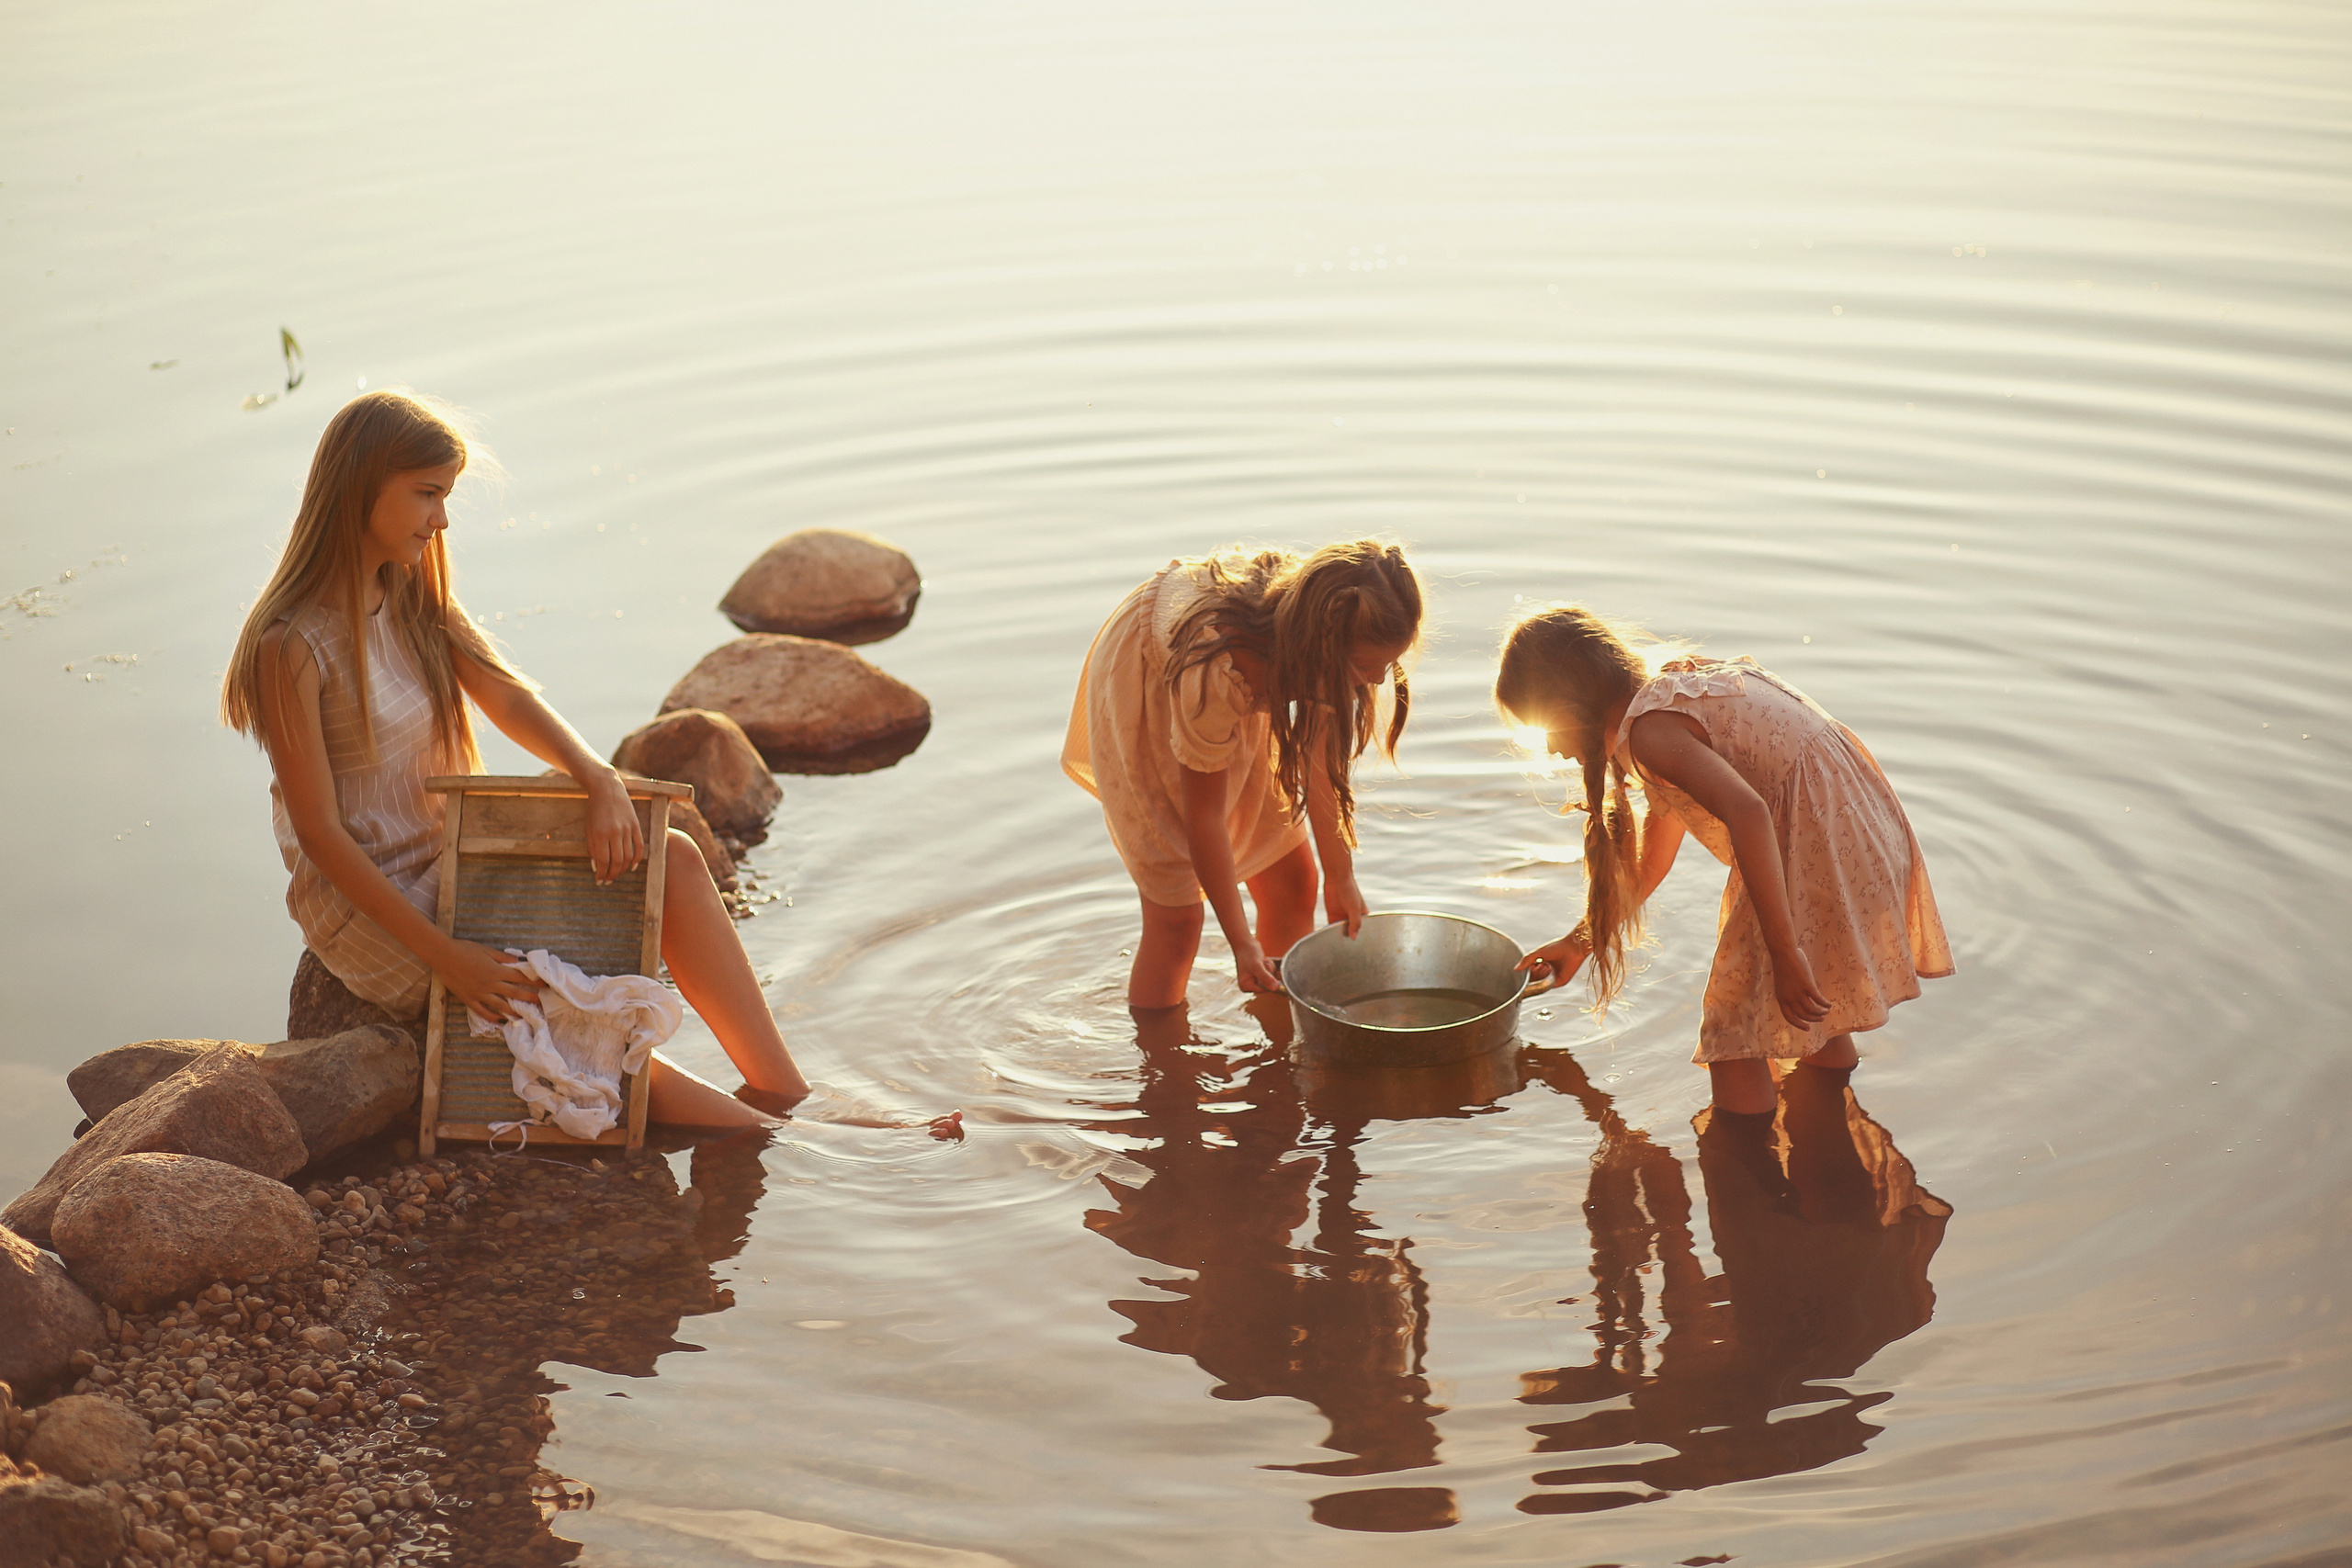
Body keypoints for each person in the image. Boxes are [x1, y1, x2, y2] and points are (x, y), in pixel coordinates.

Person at [221, 389, 804, 1131]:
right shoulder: (291, 644)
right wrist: (448, 958)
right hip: (368, 903)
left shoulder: (408, 591)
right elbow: (321, 836)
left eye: (447, 496)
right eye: (427, 495)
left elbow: (507, 697)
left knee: (678, 859)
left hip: (448, 855)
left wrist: (598, 778)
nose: (441, 519)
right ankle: (775, 1135)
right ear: (360, 486)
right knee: (548, 1005)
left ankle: (787, 1095)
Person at [1495, 604, 1952, 1113]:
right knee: (1809, 1015)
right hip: (1861, 836)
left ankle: (1744, 1165)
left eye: (1543, 731)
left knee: (1734, 1028)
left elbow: (1750, 813)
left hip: (1815, 852)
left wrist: (1784, 951)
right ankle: (1829, 1133)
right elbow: (1654, 860)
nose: (1552, 752)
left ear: (1567, 707)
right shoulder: (1673, 691)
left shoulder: (1652, 732)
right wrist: (1582, 941)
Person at [1062, 540, 1423, 1007]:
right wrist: (1239, 942)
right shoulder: (1221, 672)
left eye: (1387, 665)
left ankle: (1282, 1030)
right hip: (1155, 678)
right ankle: (1161, 1062)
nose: (1377, 681)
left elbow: (1318, 764)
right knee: (1177, 920)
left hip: (1253, 671)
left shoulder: (1329, 643)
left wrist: (1342, 877)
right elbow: (1204, 818)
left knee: (1294, 880)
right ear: (1324, 651)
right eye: (1369, 667)